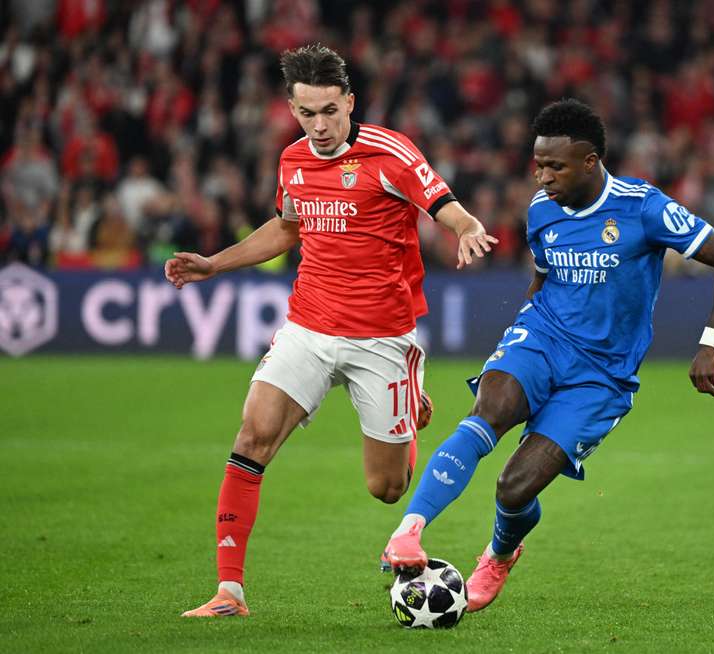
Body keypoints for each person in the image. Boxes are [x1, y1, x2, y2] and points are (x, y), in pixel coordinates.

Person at [166, 44, 497, 618]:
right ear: (292, 109)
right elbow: (286, 228)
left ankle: (409, 396)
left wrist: (467, 227)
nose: (318, 126)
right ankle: (229, 592)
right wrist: (214, 264)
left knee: (386, 488)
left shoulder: (389, 153)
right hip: (309, 326)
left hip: (382, 339)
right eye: (305, 113)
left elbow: (442, 202)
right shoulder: (292, 159)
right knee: (252, 437)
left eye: (328, 111)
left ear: (349, 101)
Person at [384, 99, 714, 611]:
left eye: (555, 165)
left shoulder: (642, 207)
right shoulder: (541, 208)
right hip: (543, 337)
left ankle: (500, 552)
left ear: (590, 162)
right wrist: (526, 329)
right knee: (487, 413)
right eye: (539, 163)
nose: (543, 175)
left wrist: (709, 344)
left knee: (514, 489)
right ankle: (408, 531)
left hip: (603, 376)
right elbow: (543, 272)